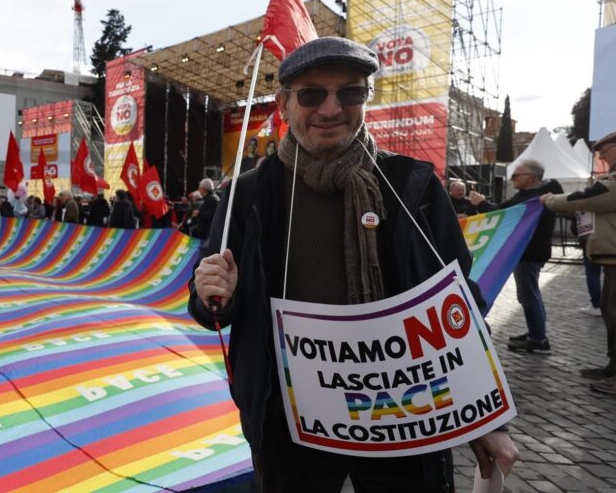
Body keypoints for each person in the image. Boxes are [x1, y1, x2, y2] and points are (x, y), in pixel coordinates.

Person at [189, 37, 517, 491]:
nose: (330, 109)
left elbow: (459, 301)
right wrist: (212, 297)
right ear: (285, 104)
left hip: (405, 412)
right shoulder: (248, 193)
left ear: (366, 98)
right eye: (311, 94)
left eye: (350, 92)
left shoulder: (412, 186)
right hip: (286, 417)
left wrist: (487, 417)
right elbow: (212, 306)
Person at [542, 130, 616, 394]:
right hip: (611, 257)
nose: (603, 158)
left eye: (606, 152)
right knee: (610, 311)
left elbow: (590, 198)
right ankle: (612, 366)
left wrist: (551, 200)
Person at [470, 159, 563, 353]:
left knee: (528, 295)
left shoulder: (536, 198)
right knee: (528, 294)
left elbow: (501, 215)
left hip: (529, 252)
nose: (512, 178)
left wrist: (481, 203)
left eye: (515, 175)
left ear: (530, 177)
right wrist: (483, 204)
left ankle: (538, 339)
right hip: (525, 251)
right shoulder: (527, 195)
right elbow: (502, 211)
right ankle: (536, 333)